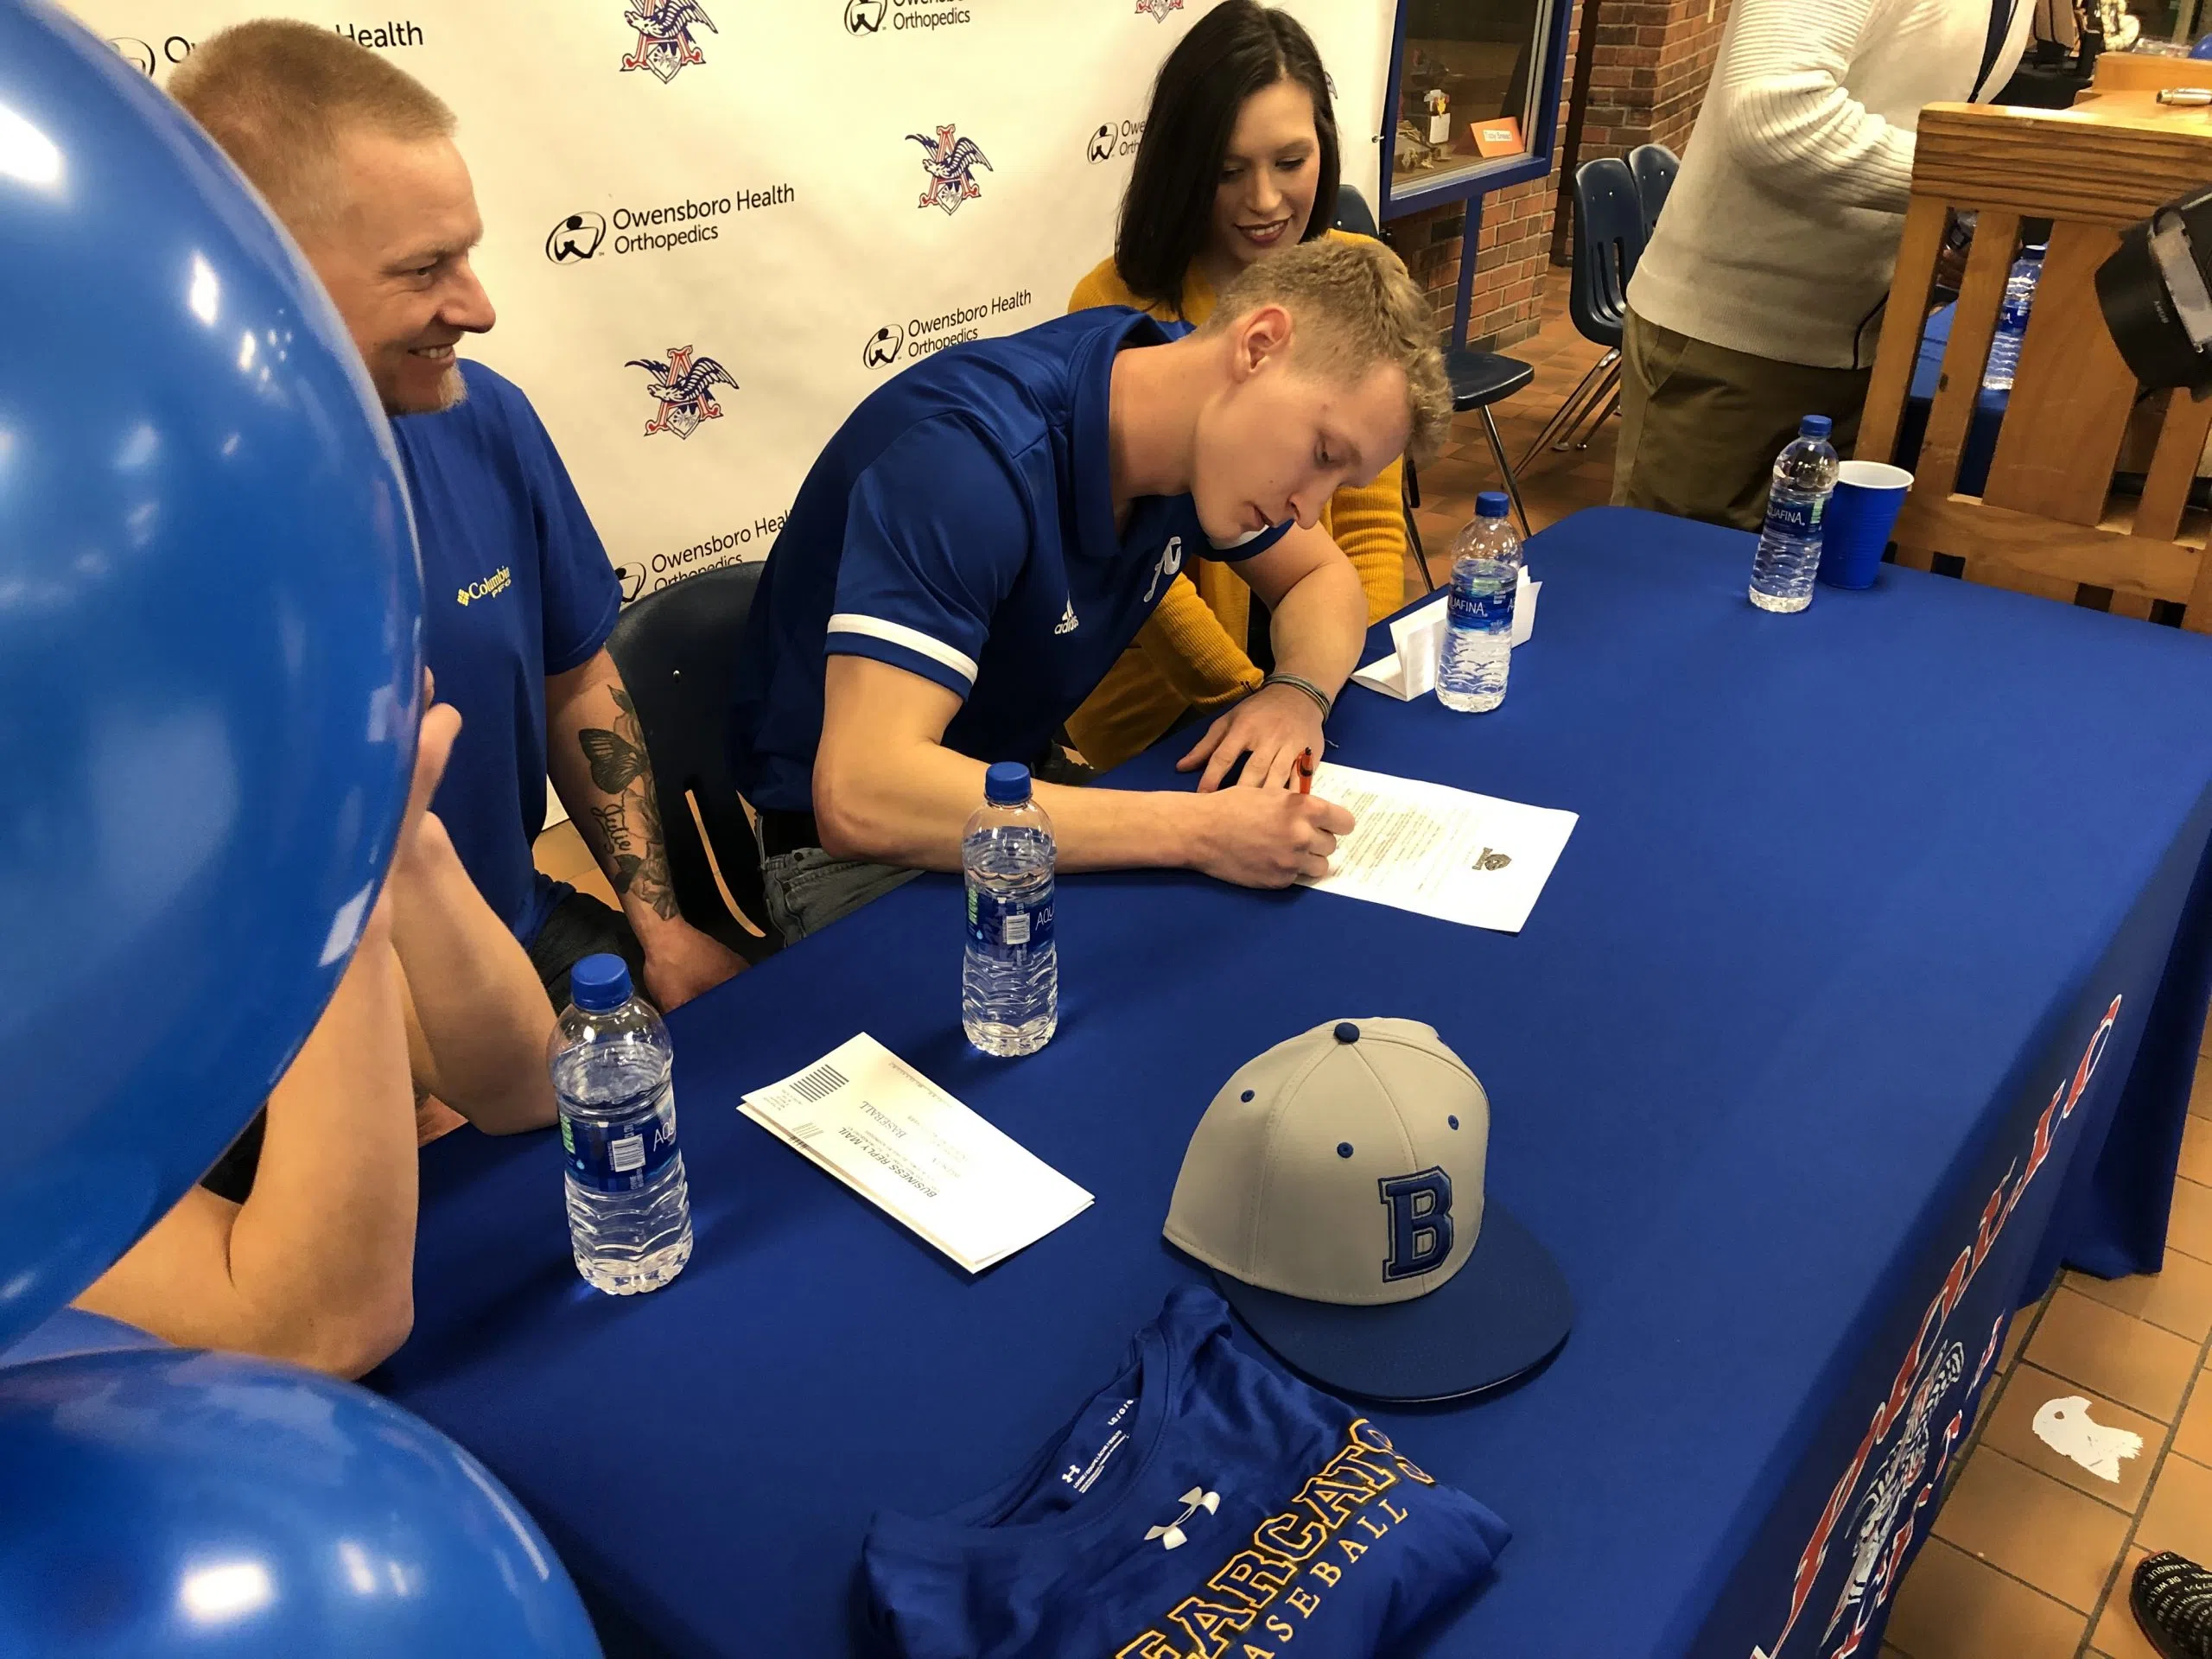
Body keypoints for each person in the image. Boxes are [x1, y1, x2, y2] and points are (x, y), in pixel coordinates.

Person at [168, 22, 745, 1012]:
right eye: (424, 269)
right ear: (260, 263)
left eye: (466, 257)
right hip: (290, 1024)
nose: (478, 308)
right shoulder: (153, 536)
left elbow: (576, 682)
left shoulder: (486, 419)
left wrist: (661, 929)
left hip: (518, 933)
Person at [728, 236, 1450, 944]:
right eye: (1323, 454)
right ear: (1258, 347)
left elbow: (1322, 578)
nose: (1310, 510)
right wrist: (1199, 832)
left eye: (1341, 480)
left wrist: (1297, 694)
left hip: (1015, 781)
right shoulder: (967, 462)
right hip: (857, 856)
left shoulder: (1181, 411)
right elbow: (862, 795)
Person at [73, 693, 556, 1378]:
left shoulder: (193, 866)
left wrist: (402, 840)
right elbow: (325, 1336)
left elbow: (526, 1089)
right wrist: (334, 902)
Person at [1065, 1, 1409, 773]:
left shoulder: (1364, 279)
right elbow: (1142, 578)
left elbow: (1369, 524)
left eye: (1290, 162)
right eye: (1228, 171)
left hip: (1317, 664)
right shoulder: (1112, 306)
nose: (1264, 200)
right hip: (1164, 702)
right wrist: (1255, 699)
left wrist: (1340, 683)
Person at [1612, 0, 2033, 530]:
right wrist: (1982, 181)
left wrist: (1964, 217)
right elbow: (1776, 115)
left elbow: (1918, 109)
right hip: (1738, 334)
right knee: (1678, 567)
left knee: (1803, 571)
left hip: (1869, 339)